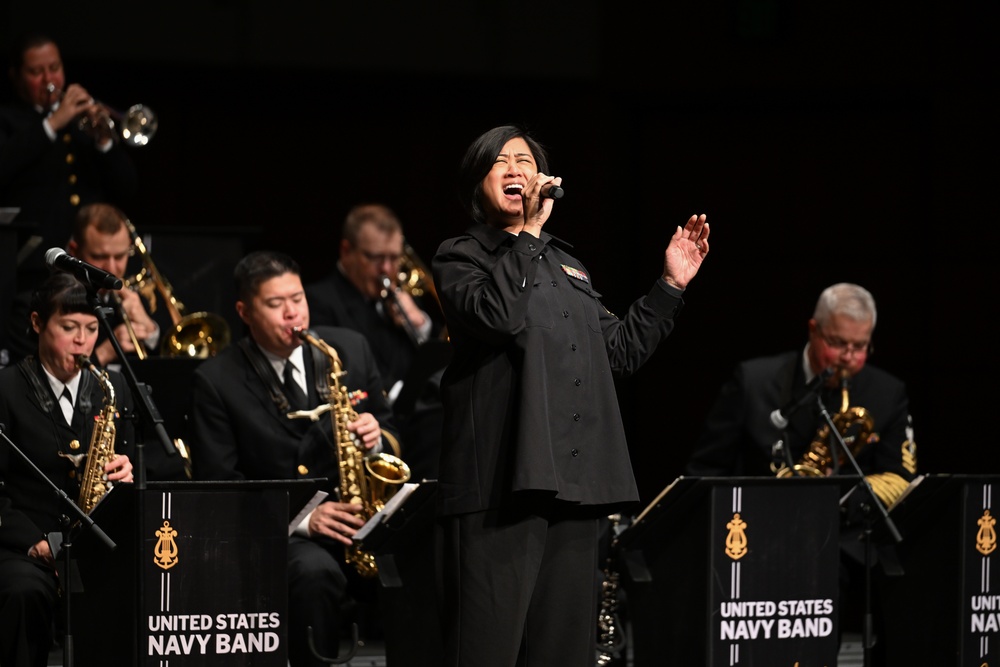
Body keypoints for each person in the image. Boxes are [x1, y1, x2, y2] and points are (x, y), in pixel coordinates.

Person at [430, 123, 710, 666]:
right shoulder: (461, 255)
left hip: (573, 489)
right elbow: (497, 316)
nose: (517, 171)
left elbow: (619, 353)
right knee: (486, 651)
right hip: (499, 490)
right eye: (501, 163)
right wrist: (530, 235)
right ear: (476, 182)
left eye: (527, 162)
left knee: (563, 654)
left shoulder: (568, 265)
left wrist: (670, 286)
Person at [189, 250, 407, 666]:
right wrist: (303, 520)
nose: (293, 315)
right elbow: (218, 485)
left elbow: (394, 429)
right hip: (281, 533)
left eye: (298, 299)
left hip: (363, 520)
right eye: (276, 305)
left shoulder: (349, 349)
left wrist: (377, 438)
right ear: (244, 312)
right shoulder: (216, 381)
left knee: (424, 558)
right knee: (313, 574)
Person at [683, 281, 918, 662]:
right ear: (813, 330)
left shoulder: (886, 392)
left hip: (848, 538)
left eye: (860, 347)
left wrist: (832, 502)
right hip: (760, 534)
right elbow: (704, 471)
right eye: (838, 343)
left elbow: (899, 479)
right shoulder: (755, 381)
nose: (848, 357)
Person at [0, 271, 136, 667]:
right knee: (23, 590)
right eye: (69, 327)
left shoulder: (112, 387)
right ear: (38, 323)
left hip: (96, 543)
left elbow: (130, 465)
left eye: (92, 329)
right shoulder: (6, 389)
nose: (82, 341)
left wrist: (126, 472)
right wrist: (35, 541)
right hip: (27, 547)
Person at [305, 202, 449, 481]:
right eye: (375, 258)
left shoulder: (399, 300)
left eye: (394, 258)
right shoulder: (318, 301)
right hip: (369, 420)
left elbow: (428, 360)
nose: (386, 269)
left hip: (413, 416)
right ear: (346, 251)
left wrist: (420, 323)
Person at [0, 31, 138, 289]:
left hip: (90, 263)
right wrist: (52, 123)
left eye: (54, 68)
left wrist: (104, 141)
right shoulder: (9, 119)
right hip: (33, 265)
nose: (48, 79)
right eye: (35, 72)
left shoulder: (81, 123)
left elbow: (126, 188)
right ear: (16, 77)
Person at [2, 202, 164, 369]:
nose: (111, 268)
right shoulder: (34, 305)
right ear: (74, 251)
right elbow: (29, 378)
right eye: (99, 256)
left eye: (119, 256)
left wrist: (151, 331)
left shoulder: (136, 304)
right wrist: (104, 353)